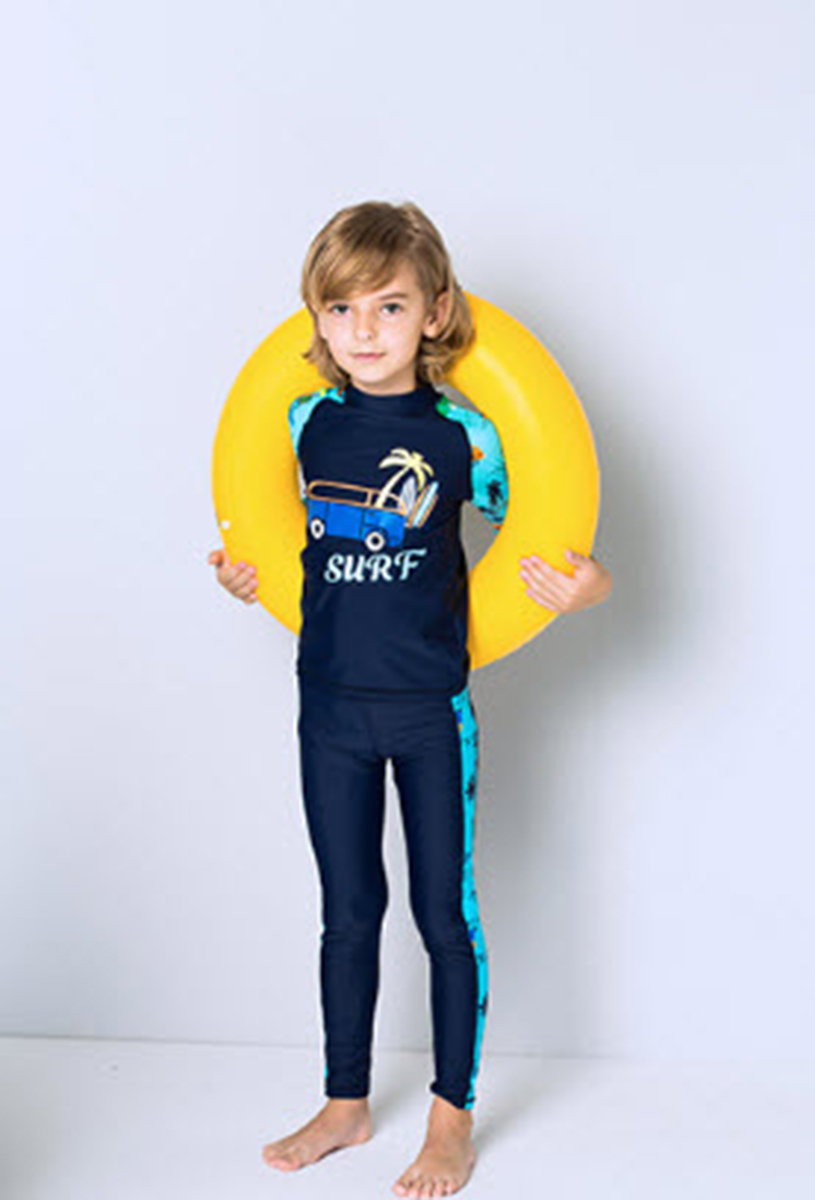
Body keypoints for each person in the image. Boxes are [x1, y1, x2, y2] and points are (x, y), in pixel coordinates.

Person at [208, 200, 612, 1198]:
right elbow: (275, 539)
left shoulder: (460, 436)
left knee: (443, 913)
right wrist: (244, 574)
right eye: (341, 310)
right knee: (347, 910)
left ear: (433, 314)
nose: (364, 331)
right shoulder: (304, 421)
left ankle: (448, 1120)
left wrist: (588, 586)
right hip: (328, 704)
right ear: (317, 318)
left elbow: (549, 532)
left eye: (388, 307)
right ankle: (344, 1102)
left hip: (429, 707)